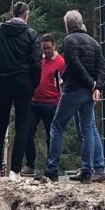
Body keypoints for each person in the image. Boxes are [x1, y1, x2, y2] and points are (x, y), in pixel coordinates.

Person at [44, 9, 105, 184]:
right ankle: (88, 171)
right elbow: (102, 68)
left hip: (74, 90)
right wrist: (96, 86)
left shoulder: (69, 40)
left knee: (57, 127)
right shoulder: (94, 43)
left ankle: (52, 170)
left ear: (67, 25)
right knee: (88, 130)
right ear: (80, 23)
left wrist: (90, 83)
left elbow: (75, 65)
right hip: (88, 93)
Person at [0, 1, 41, 182]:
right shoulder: (31, 34)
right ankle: (14, 171)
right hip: (24, 82)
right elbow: (35, 62)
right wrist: (34, 83)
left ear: (12, 13)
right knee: (22, 125)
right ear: (26, 15)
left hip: (3, 82)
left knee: (1, 124)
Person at [22, 34, 65, 176]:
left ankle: (51, 166)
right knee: (28, 131)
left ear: (53, 46)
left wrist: (59, 102)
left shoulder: (60, 62)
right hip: (34, 102)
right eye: (43, 48)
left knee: (51, 136)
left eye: (47, 48)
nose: (45, 51)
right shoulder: (40, 60)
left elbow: (62, 85)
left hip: (51, 103)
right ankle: (30, 164)